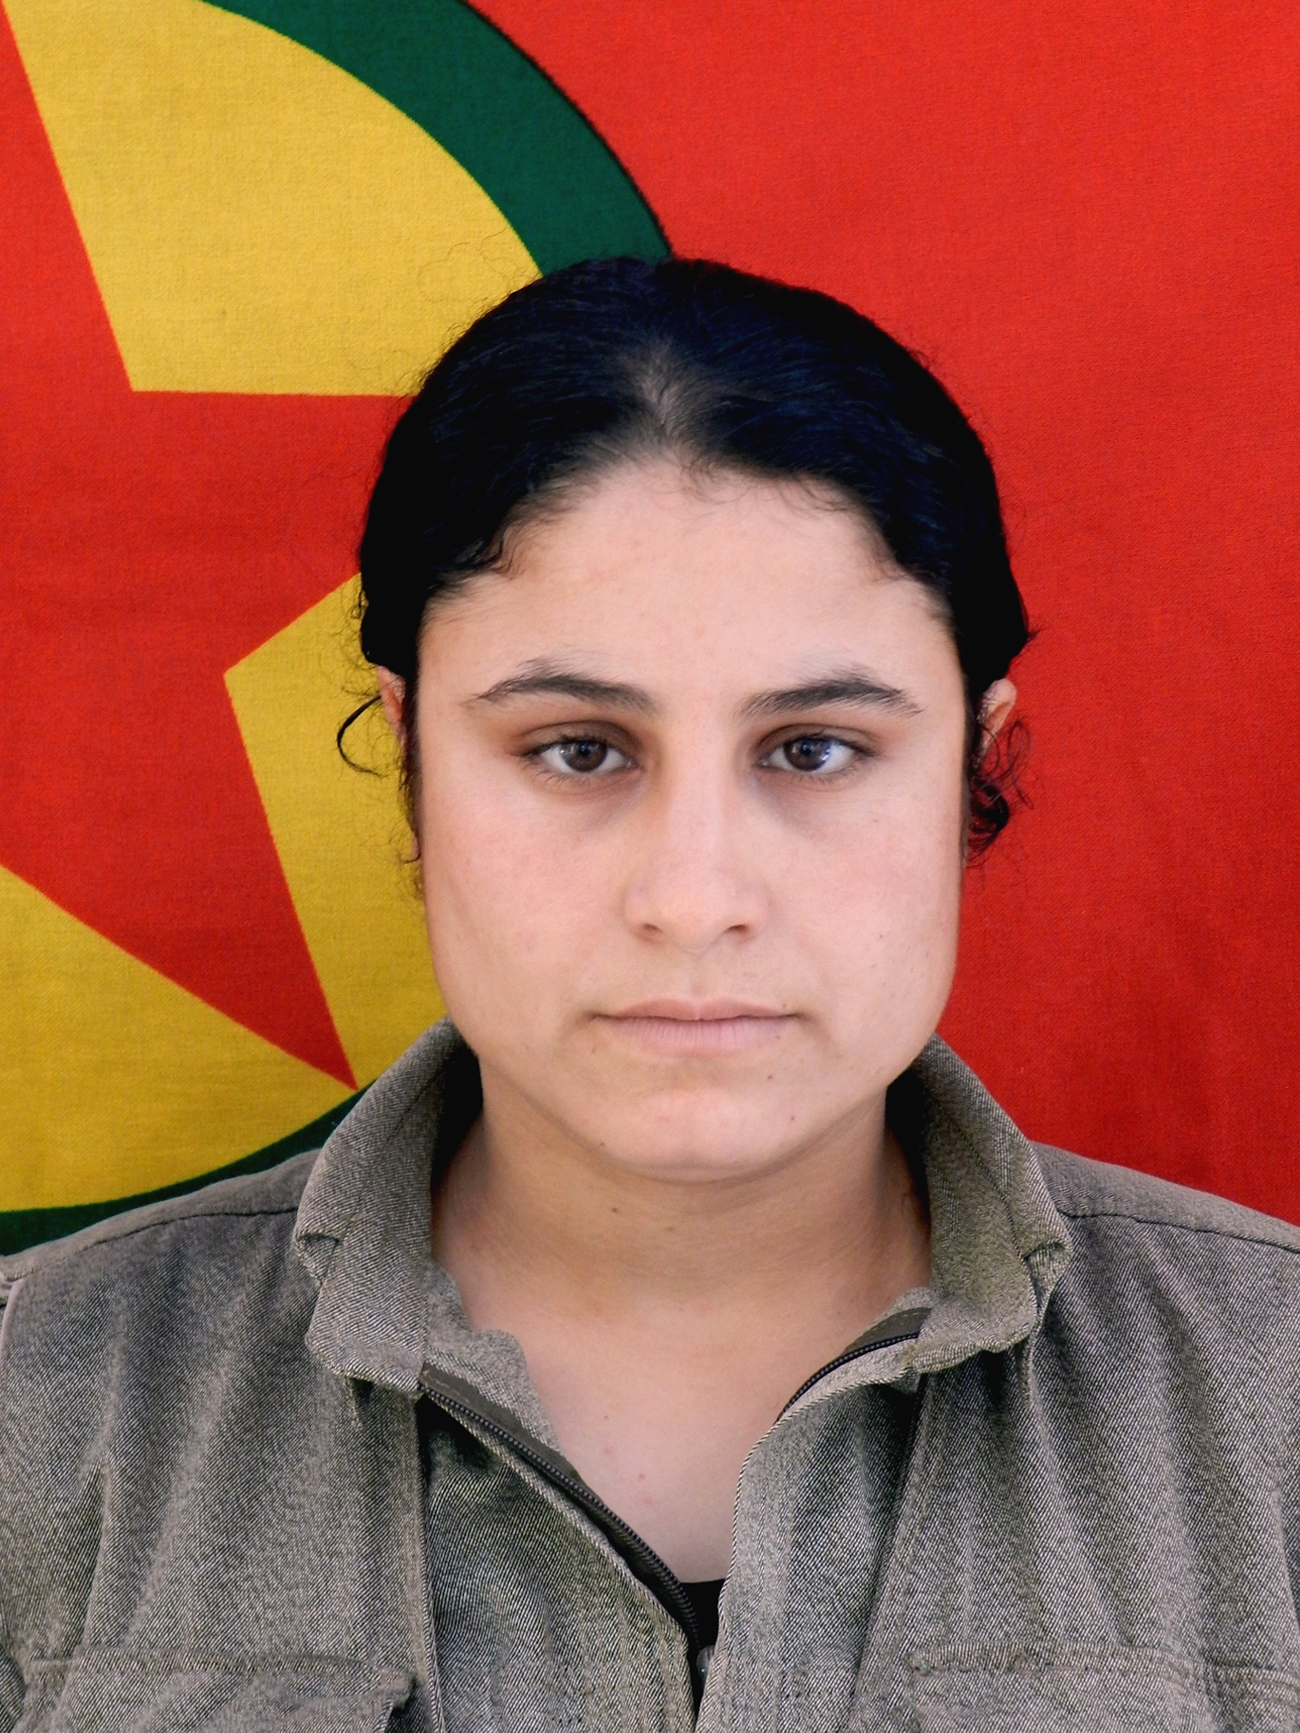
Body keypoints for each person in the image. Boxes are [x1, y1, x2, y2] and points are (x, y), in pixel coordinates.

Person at [2, 257, 1298, 1733]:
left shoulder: (1275, 1401)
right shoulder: (42, 1400)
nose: (692, 896)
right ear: (411, 755)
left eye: (813, 750)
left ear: (973, 765)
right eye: (578, 749)